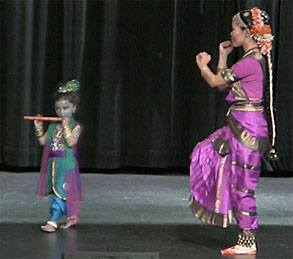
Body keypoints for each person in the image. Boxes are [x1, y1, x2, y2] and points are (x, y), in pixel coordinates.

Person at [189, 7, 276, 255]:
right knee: (207, 154)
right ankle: (228, 214)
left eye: (234, 29)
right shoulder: (250, 59)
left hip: (247, 131)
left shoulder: (251, 61)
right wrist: (222, 55)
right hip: (237, 128)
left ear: (246, 32)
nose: (231, 33)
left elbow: (216, 82)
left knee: (243, 187)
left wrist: (202, 65)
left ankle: (248, 240)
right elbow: (221, 84)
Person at [34, 79, 82, 232]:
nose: (62, 112)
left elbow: (70, 142)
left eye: (66, 108)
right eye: (58, 109)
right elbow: (43, 142)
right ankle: (68, 217)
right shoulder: (54, 126)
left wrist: (67, 126)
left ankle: (53, 221)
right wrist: (39, 128)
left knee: (62, 192)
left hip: (67, 165)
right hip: (54, 164)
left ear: (74, 108)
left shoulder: (76, 126)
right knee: (55, 192)